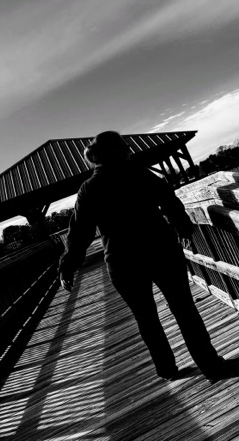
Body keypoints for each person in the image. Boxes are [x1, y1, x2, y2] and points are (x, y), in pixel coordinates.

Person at [58, 131, 224, 381]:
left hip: (122, 262)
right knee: (184, 309)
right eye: (125, 146)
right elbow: (169, 200)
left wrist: (67, 267)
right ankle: (210, 364)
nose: (129, 149)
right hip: (161, 250)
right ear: (116, 151)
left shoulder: (88, 189)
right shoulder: (139, 173)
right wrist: (183, 227)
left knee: (146, 319)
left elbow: (80, 231)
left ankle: (167, 370)